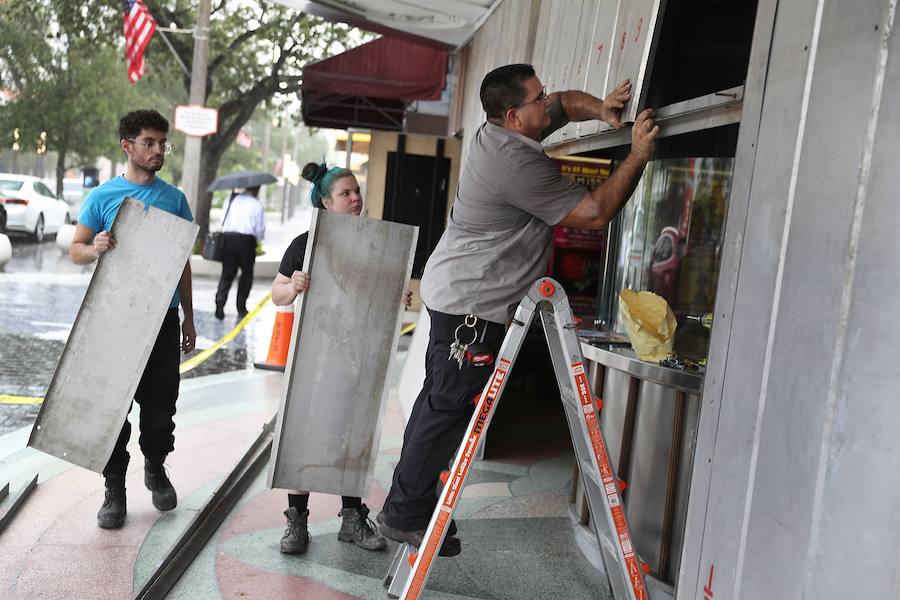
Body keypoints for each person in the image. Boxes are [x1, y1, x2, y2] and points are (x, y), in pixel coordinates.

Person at [377, 64, 659, 554]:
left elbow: (566, 104)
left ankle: (410, 506)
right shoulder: (514, 161)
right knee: (445, 410)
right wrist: (636, 154)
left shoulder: (508, 127)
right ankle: (405, 514)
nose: (546, 101)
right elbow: (593, 214)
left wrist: (602, 109)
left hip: (460, 294)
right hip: (471, 302)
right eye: (537, 98)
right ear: (513, 116)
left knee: (437, 406)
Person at [271, 161, 413, 554]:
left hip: (359, 355)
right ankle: (296, 521)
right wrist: (294, 285)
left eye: (356, 192)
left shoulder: (375, 242)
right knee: (304, 432)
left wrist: (397, 299)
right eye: (345, 194)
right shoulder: (305, 243)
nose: (355, 199)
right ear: (325, 202)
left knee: (354, 432)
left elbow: (383, 293)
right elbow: (277, 294)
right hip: (315, 356)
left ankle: (352, 519)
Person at [70, 109, 196, 529]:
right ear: (127, 145)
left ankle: (155, 467)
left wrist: (189, 318)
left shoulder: (175, 199)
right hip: (113, 320)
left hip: (163, 319)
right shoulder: (103, 197)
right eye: (150, 142)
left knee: (161, 407)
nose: (159, 150)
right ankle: (114, 488)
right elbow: (76, 249)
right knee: (113, 408)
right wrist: (97, 247)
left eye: (163, 143)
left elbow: (183, 262)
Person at [214, 186, 265, 320]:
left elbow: (222, 221)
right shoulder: (256, 204)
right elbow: (260, 229)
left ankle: (220, 303)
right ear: (256, 189)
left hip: (229, 239)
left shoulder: (229, 199)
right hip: (247, 242)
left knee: (227, 273)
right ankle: (241, 307)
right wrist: (258, 240)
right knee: (246, 275)